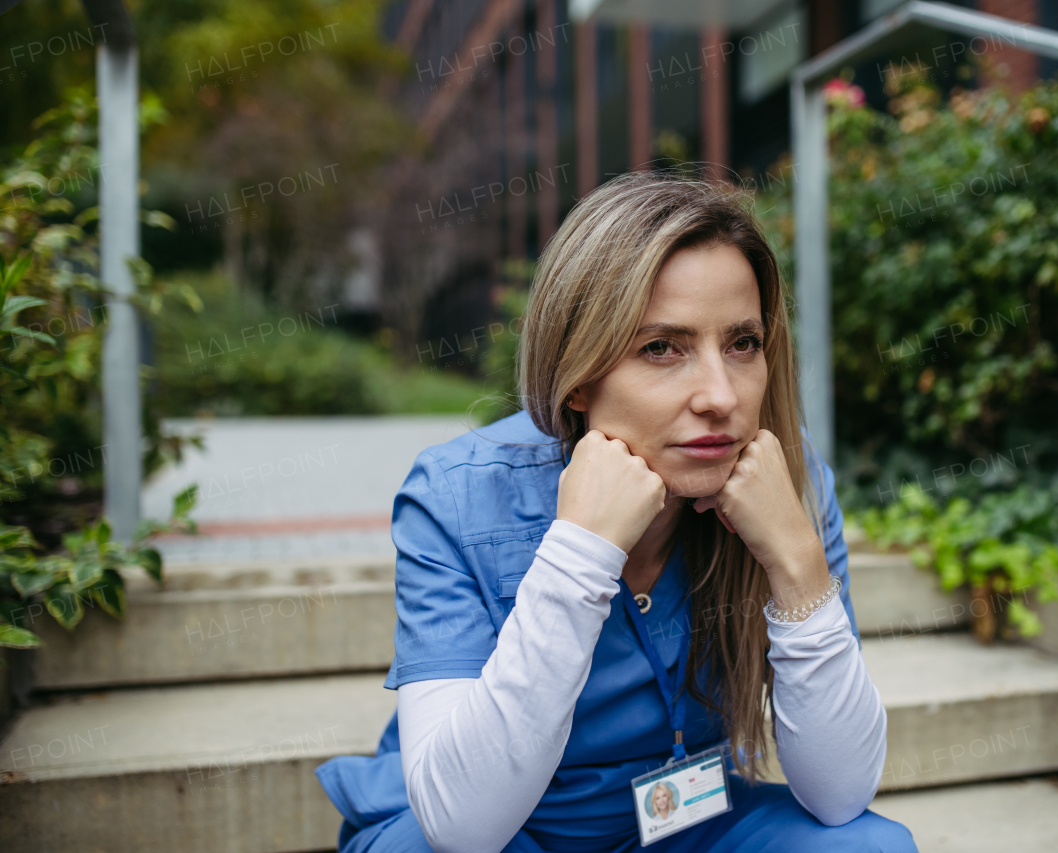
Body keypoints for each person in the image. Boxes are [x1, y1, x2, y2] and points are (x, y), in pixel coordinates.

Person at [315, 171, 917, 853]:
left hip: (688, 820)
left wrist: (798, 565)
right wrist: (579, 551)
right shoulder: (458, 496)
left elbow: (839, 796)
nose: (720, 395)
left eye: (742, 343)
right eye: (662, 347)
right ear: (577, 376)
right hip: (506, 829)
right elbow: (461, 826)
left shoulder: (786, 483)